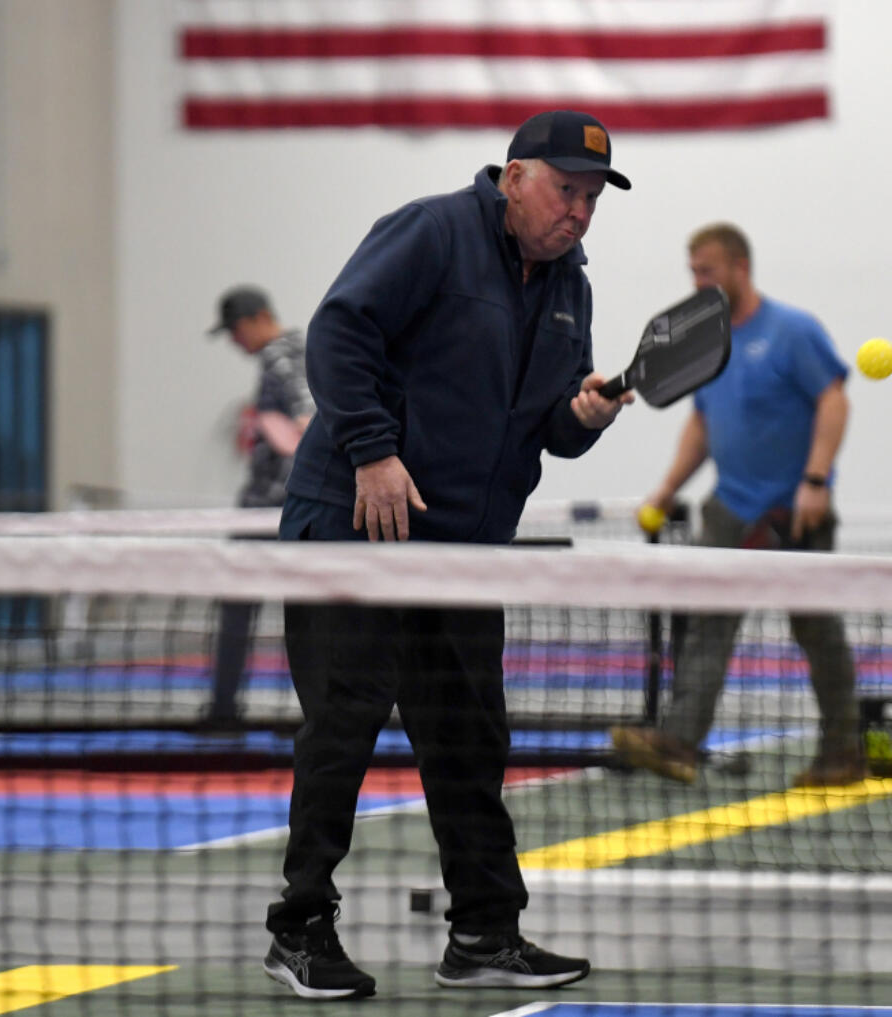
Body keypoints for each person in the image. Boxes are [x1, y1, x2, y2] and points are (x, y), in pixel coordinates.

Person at [261, 110, 634, 1000]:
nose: (579, 212)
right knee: (342, 731)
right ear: (512, 178)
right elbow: (339, 333)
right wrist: (372, 450)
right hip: (356, 524)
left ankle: (484, 934)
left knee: (470, 739)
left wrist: (578, 419)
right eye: (565, 190)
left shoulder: (570, 288)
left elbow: (545, 426)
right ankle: (300, 927)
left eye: (592, 198)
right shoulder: (430, 232)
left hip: (464, 550)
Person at [611, 223, 866, 789]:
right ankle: (678, 743)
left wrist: (816, 480)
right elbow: (703, 423)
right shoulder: (706, 342)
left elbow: (834, 399)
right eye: (693, 271)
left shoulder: (793, 331)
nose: (698, 281)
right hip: (728, 508)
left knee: (817, 631)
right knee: (707, 624)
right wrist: (666, 489)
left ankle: (843, 753)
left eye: (707, 270)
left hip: (792, 515)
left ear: (739, 268)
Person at [201, 286, 313, 730]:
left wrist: (283, 434)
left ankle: (223, 711)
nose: (234, 340)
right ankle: (317, 714)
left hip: (269, 512)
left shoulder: (279, 357)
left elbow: (307, 419)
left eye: (236, 329)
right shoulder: (304, 347)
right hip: (290, 510)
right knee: (306, 614)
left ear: (259, 318)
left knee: (237, 606)